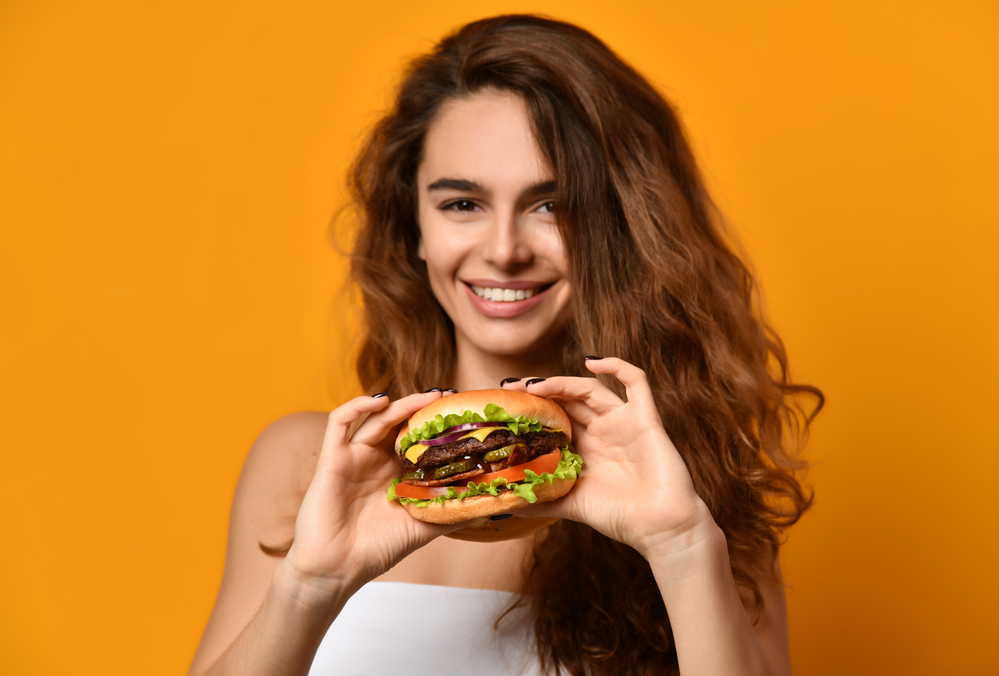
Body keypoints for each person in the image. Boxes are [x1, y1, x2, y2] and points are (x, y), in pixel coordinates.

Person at [189, 14, 821, 676]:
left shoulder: (686, 479)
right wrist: (309, 586)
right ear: (415, 229)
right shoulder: (306, 465)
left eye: (550, 205)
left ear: (621, 227)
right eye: (462, 204)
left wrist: (681, 544)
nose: (503, 250)